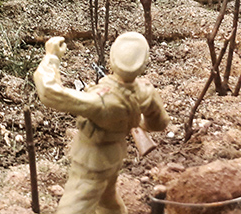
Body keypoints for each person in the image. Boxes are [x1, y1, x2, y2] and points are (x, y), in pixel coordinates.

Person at [33, 32, 170, 214]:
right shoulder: (145, 92)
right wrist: (132, 120)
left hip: (92, 162)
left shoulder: (102, 101)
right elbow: (159, 124)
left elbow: (50, 92)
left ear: (113, 60)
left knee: (73, 207)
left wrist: (51, 57)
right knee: (107, 202)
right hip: (113, 157)